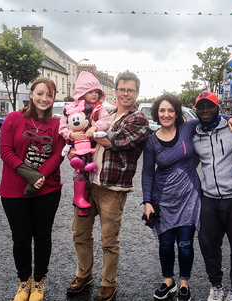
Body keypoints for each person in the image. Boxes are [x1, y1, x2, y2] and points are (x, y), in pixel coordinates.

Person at [66, 71, 150, 301]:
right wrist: (75, 145)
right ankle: (84, 274)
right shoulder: (104, 113)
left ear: (136, 93)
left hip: (113, 188)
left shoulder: (138, 119)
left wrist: (88, 132)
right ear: (115, 91)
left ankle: (108, 283)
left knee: (108, 239)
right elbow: (77, 138)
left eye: (130, 90)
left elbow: (118, 142)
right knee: (80, 232)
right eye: (121, 89)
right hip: (86, 183)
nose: (125, 93)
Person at [0, 77, 65, 301]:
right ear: (31, 94)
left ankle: (39, 282)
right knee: (20, 237)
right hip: (13, 190)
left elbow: (58, 155)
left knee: (43, 236)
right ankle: (24, 282)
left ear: (53, 98)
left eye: (49, 95)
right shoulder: (13, 118)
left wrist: (41, 176)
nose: (44, 99)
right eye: (40, 93)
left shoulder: (58, 125)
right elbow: (6, 151)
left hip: (47, 190)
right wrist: (30, 175)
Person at [142, 93, 202, 301]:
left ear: (176, 112)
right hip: (163, 199)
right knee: (165, 243)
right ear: (156, 114)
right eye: (162, 110)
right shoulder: (151, 141)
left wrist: (230, 117)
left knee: (185, 243)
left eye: (170, 110)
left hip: (189, 196)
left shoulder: (187, 127)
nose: (166, 114)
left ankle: (184, 283)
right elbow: (147, 172)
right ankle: (168, 282)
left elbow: (211, 115)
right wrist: (147, 202)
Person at [192, 91, 232, 301]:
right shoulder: (194, 133)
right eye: (201, 107)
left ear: (218, 108)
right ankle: (216, 286)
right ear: (196, 109)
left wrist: (228, 119)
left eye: (210, 106)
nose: (205, 110)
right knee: (207, 245)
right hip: (209, 199)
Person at [59, 71, 111, 217]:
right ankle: (79, 199)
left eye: (97, 92)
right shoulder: (70, 110)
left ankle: (82, 204)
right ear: (81, 92)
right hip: (78, 147)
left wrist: (95, 127)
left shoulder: (99, 108)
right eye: (90, 91)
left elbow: (105, 121)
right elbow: (62, 127)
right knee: (80, 171)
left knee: (87, 175)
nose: (94, 95)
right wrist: (71, 134)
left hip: (93, 149)